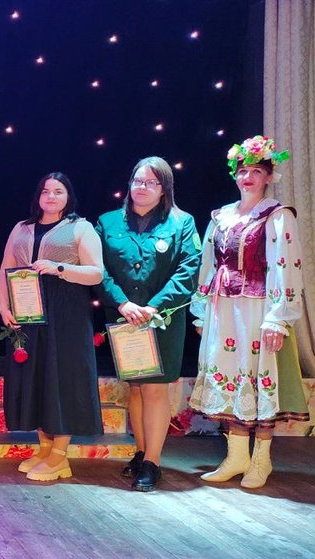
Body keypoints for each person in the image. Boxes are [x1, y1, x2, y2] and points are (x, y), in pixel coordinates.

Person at [189, 136, 306, 489]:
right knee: (230, 375)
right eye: (243, 172)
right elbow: (208, 265)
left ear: (268, 176)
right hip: (224, 308)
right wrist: (201, 310)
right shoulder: (221, 217)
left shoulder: (277, 216)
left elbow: (285, 266)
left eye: (256, 171)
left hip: (257, 308)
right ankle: (236, 456)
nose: (248, 178)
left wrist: (277, 318)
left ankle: (261, 459)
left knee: (258, 376)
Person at [95, 157, 200, 492]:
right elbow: (97, 269)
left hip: (163, 320)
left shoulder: (182, 222)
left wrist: (153, 306)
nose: (142, 188)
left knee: (155, 388)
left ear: (164, 189)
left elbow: (188, 270)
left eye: (151, 183)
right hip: (123, 318)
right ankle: (141, 452)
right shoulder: (108, 222)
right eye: (138, 181)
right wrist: (122, 303)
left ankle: (153, 462)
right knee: (136, 387)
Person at [0, 172, 104, 482]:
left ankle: (60, 455)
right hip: (27, 312)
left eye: (58, 191)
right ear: (38, 196)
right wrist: (4, 307)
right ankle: (44, 448)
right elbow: (5, 269)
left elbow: (96, 273)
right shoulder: (21, 227)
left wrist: (58, 268)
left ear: (68, 196)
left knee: (62, 377)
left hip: (66, 314)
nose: (51, 197)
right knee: (37, 376)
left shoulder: (80, 228)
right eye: (46, 191)